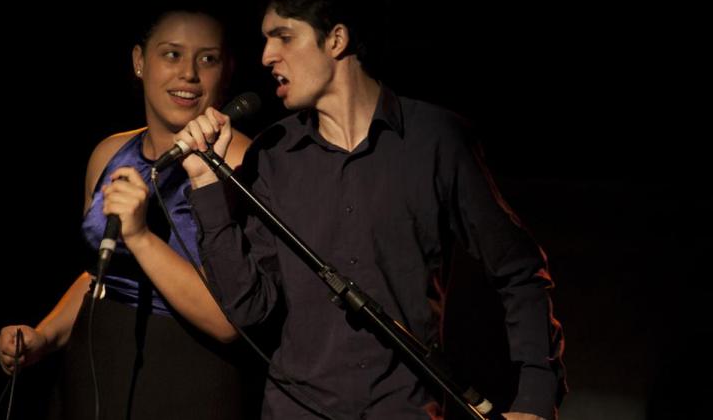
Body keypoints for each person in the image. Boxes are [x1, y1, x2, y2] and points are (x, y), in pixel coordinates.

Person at [179, 0, 566, 419]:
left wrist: (536, 398)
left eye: (284, 37)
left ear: (337, 40)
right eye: (265, 40)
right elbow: (250, 308)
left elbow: (520, 269)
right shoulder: (273, 156)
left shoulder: (434, 141)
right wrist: (204, 184)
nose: (267, 56)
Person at [0, 6, 254, 419]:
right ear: (139, 61)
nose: (188, 73)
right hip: (97, 367)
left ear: (227, 70)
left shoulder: (246, 163)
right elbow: (100, 275)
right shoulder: (110, 154)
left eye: (208, 58)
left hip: (190, 379)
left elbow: (231, 321)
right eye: (171, 54)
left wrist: (141, 237)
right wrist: (44, 336)